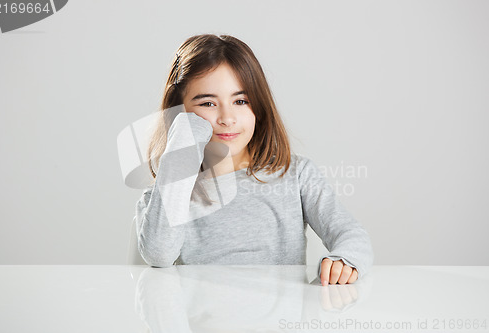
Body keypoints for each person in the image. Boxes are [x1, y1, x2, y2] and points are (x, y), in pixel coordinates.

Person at [135, 34, 373, 285]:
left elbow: (351, 234)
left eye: (240, 101)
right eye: (208, 103)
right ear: (180, 114)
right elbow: (158, 254)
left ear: (258, 106)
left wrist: (344, 259)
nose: (227, 118)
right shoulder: (163, 196)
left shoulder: (296, 174)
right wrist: (181, 147)